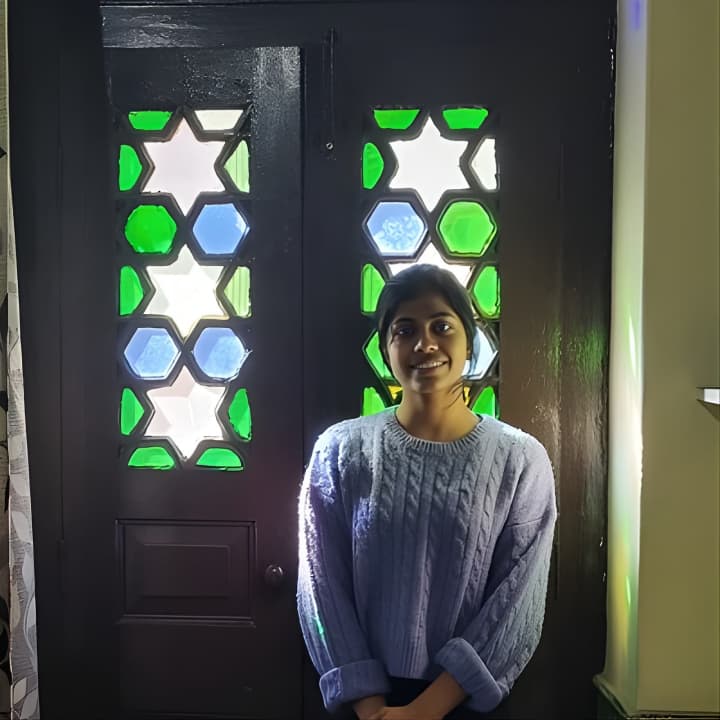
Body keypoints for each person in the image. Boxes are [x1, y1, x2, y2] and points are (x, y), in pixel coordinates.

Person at [297, 264, 557, 719]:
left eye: (442, 326)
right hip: (362, 708)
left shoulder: (521, 460)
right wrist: (370, 706)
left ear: (469, 342)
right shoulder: (339, 451)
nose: (425, 344)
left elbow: (518, 602)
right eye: (405, 330)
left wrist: (424, 711)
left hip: (464, 704)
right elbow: (321, 588)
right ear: (385, 349)